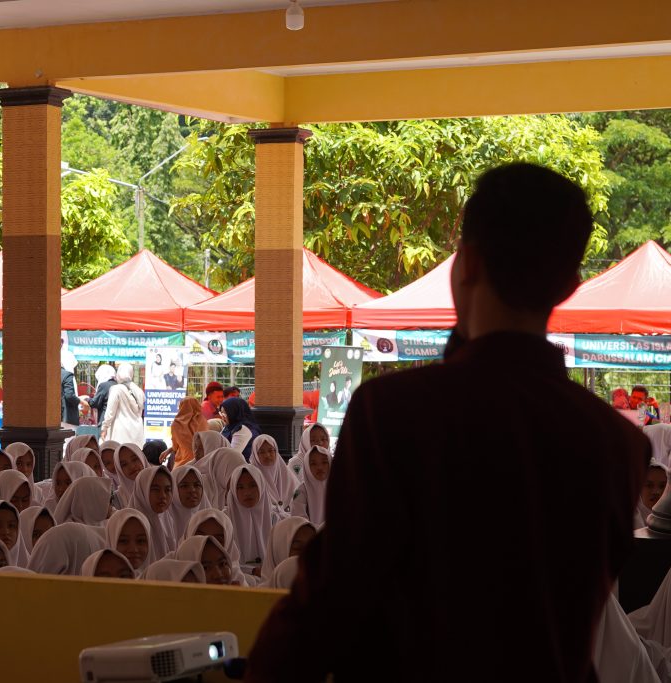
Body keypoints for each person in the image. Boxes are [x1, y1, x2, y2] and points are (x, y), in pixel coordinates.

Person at [245, 163, 652, 682]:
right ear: (570, 285)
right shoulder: (617, 444)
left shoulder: (394, 412)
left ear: (467, 263)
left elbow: (329, 606)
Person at [100, 363, 145, 445]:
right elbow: (140, 412)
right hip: (137, 432)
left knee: (120, 455)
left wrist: (104, 427)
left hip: (121, 432)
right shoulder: (139, 390)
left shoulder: (116, 389)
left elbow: (110, 412)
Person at [170, 397, 208, 469]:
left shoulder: (176, 424)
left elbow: (175, 447)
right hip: (201, 462)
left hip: (182, 463)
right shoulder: (203, 421)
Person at [61, 357, 80, 426]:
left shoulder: (49, 375)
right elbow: (69, 395)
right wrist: (80, 401)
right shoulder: (67, 375)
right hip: (66, 416)